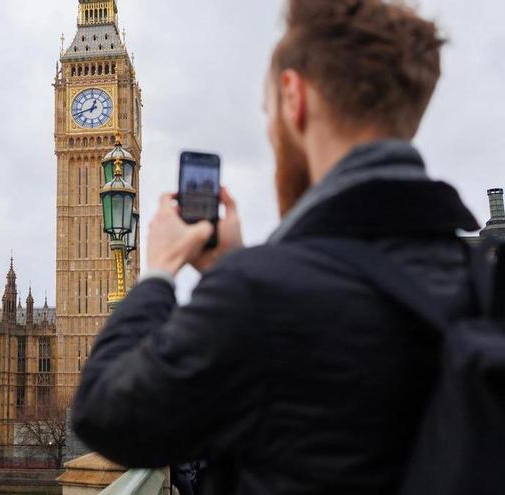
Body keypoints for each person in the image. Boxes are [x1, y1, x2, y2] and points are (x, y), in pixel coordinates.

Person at [71, 1, 480, 493]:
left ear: (294, 98)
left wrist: (159, 270)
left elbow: (103, 414)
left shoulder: (259, 297)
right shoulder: (484, 282)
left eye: (268, 112)